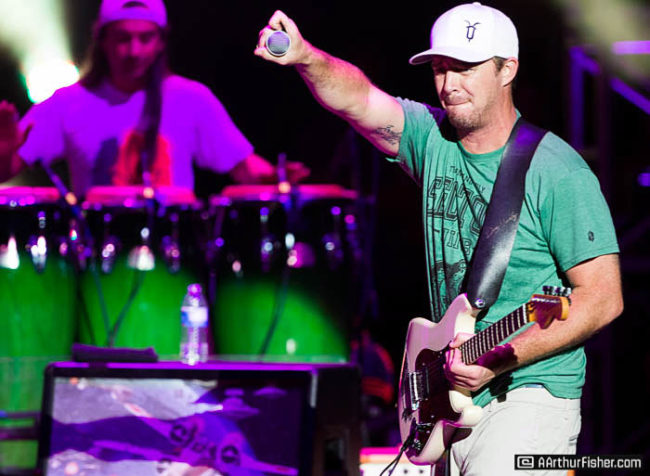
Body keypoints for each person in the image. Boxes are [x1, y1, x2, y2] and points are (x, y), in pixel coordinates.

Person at [255, 3, 623, 475]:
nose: (449, 85)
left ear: (507, 69)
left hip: (527, 398)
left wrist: (497, 361)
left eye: (465, 68)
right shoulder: (431, 139)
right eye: (440, 69)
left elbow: (603, 298)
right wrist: (306, 56)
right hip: (446, 404)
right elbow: (357, 99)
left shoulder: (558, 172)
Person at [0, 0, 308, 196]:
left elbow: (242, 168)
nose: (134, 51)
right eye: (123, 38)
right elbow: (6, 170)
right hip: (97, 259)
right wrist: (3, 150)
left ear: (161, 42)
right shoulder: (67, 103)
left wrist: (277, 177)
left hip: (175, 256)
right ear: (102, 40)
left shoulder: (191, 99)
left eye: (145, 38)